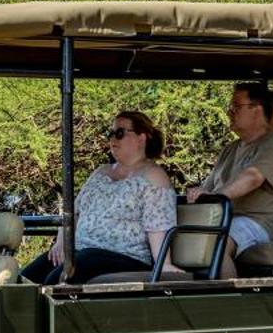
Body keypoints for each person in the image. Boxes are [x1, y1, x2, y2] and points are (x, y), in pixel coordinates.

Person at [25, 110, 178, 284]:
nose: (113, 139)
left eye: (119, 133)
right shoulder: (100, 172)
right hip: (81, 252)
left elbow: (158, 224)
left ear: (142, 138)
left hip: (124, 256)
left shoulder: (153, 176)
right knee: (26, 279)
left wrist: (164, 264)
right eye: (110, 133)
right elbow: (73, 212)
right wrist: (61, 243)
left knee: (60, 278)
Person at [186, 82, 273, 259]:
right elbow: (208, 188)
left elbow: (253, 177)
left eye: (236, 107)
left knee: (216, 247)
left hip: (260, 223)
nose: (229, 112)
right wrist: (197, 194)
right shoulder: (230, 149)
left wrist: (217, 197)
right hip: (226, 219)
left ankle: (226, 287)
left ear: (257, 109)